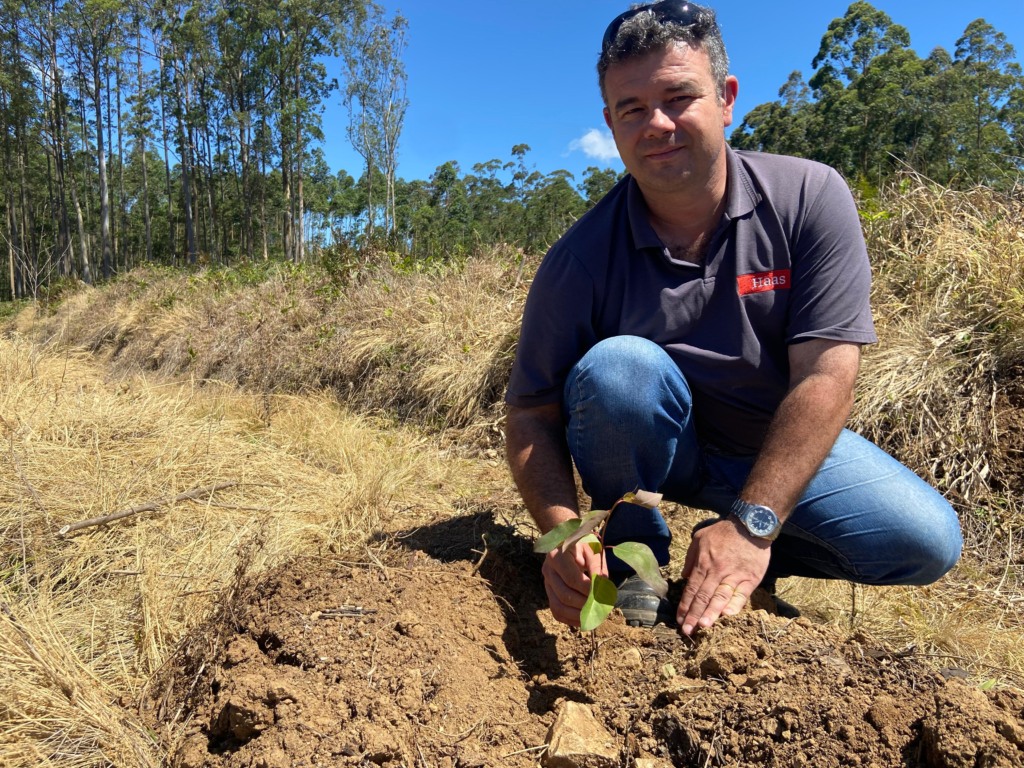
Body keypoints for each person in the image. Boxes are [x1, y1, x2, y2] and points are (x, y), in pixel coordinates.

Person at [504, 0, 962, 636]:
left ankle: (742, 554)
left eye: (678, 97)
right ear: (610, 124)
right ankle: (638, 553)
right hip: (658, 452)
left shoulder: (808, 197)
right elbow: (530, 410)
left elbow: (827, 375)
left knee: (927, 540)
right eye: (631, 109)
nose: (656, 124)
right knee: (620, 369)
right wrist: (560, 532)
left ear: (726, 98)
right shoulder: (580, 259)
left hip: (771, 441)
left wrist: (754, 525)